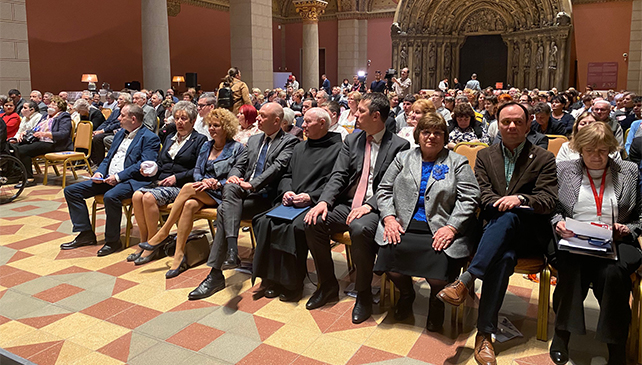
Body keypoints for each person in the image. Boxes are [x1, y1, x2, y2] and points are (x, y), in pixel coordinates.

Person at [437, 102, 558, 365]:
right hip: (494, 232)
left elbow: (548, 199)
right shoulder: (485, 155)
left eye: (517, 122)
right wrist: (502, 202)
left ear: (528, 125)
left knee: (512, 214)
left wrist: (520, 198)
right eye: (506, 122)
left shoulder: (544, 157)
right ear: (498, 125)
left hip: (528, 231)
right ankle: (484, 335)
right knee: (502, 258)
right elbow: (481, 192)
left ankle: (467, 279)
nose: (511, 126)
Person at [303, 92, 410, 323]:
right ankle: (328, 284)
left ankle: (363, 294)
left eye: (360, 111)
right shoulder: (352, 140)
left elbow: (395, 186)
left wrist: (370, 206)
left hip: (377, 206)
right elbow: (339, 174)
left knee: (360, 230)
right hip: (348, 203)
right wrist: (324, 202)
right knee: (313, 222)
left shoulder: (400, 146)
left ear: (376, 116)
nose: (355, 114)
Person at [375, 112, 480, 331]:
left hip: (441, 226)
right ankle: (406, 293)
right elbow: (384, 189)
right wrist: (389, 217)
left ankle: (436, 302)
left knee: (440, 261)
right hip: (403, 223)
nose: (431, 137)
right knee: (389, 256)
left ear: (445, 136)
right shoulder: (403, 158)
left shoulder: (457, 161)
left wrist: (452, 227)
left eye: (437, 132)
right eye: (426, 132)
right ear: (418, 134)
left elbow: (469, 197)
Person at [550, 122, 642, 365]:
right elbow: (552, 208)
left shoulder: (629, 171)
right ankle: (561, 336)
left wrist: (627, 229)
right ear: (580, 150)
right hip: (574, 238)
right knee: (571, 269)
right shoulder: (564, 170)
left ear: (612, 149)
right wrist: (558, 222)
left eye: (603, 150)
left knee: (613, 274)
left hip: (616, 240)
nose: (597, 156)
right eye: (590, 150)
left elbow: (639, 216)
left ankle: (616, 346)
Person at [187, 102, 299, 300]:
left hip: (266, 196)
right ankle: (230, 253)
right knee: (230, 187)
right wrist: (234, 176)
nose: (257, 119)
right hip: (244, 193)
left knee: (223, 210)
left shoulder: (290, 141)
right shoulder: (255, 139)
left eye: (263, 116)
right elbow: (241, 164)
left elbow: (278, 168)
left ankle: (218, 270)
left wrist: (253, 184)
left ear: (277, 121)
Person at [138, 108, 243, 276]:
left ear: (226, 127)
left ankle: (163, 232)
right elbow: (197, 172)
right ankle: (178, 256)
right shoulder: (207, 146)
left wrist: (216, 182)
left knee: (187, 188)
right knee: (188, 205)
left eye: (217, 125)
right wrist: (203, 180)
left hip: (222, 193)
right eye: (210, 125)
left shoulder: (237, 148)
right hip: (201, 190)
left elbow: (237, 175)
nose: (212, 129)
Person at [252, 108, 343, 302]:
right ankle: (272, 278)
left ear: (322, 124)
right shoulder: (300, 147)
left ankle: (293, 283)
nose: (303, 125)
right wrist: (287, 192)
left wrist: (311, 197)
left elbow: (337, 182)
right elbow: (287, 175)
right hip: (293, 201)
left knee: (294, 227)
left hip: (316, 203)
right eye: (303, 121)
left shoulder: (339, 149)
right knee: (264, 221)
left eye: (308, 122)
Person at [61, 104, 160, 256]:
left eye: (122, 115)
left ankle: (113, 241)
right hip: (108, 179)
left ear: (133, 119)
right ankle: (85, 233)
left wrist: (118, 177)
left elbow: (143, 165)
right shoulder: (120, 134)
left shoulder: (149, 138)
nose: (118, 118)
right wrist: (99, 173)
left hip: (131, 181)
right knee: (71, 191)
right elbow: (108, 158)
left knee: (111, 196)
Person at [127, 102, 208, 264]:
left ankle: (154, 243)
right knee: (136, 196)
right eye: (177, 118)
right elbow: (161, 162)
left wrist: (176, 177)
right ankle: (144, 241)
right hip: (162, 182)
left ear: (192, 121)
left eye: (184, 119)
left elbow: (199, 169)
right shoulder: (169, 138)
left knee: (148, 197)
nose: (179, 122)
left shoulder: (200, 140)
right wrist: (151, 168)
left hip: (182, 186)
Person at [10, 96, 73, 187]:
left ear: (60, 107)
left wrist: (44, 134)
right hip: (41, 140)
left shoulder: (64, 116)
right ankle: (16, 174)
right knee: (13, 146)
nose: (50, 106)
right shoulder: (45, 116)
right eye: (50, 103)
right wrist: (26, 132)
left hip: (53, 143)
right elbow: (36, 128)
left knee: (23, 150)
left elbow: (64, 134)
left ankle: (29, 179)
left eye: (54, 104)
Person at [557, 112, 622, 163]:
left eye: (591, 123)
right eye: (583, 124)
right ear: (576, 127)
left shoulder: (610, 146)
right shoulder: (566, 147)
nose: (587, 126)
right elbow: (560, 170)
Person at [92, 92, 129, 167]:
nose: (118, 101)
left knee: (98, 138)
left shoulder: (128, 112)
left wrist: (102, 131)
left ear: (126, 102)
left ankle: (100, 163)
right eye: (118, 99)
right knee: (94, 136)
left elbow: (118, 124)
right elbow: (107, 122)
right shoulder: (115, 111)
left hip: (117, 131)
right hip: (109, 130)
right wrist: (97, 130)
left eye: (120, 99)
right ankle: (96, 161)